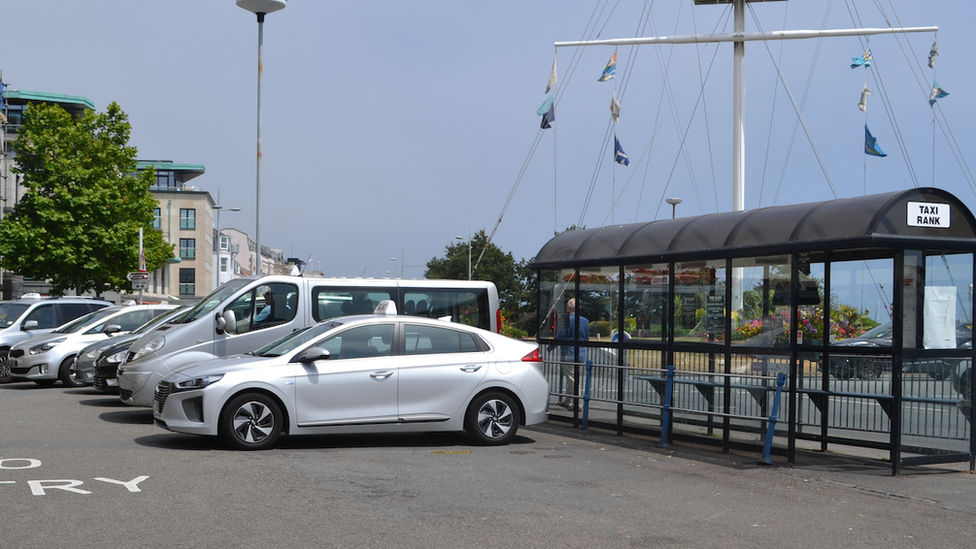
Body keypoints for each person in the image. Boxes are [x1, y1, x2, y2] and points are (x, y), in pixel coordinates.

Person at [556, 298, 589, 411]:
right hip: (581, 353)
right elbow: (587, 337)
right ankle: (568, 401)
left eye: (566, 306)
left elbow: (560, 336)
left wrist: (551, 346)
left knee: (572, 380)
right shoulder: (585, 321)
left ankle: (577, 404)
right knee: (575, 378)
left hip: (569, 353)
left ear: (569, 308)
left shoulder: (567, 320)